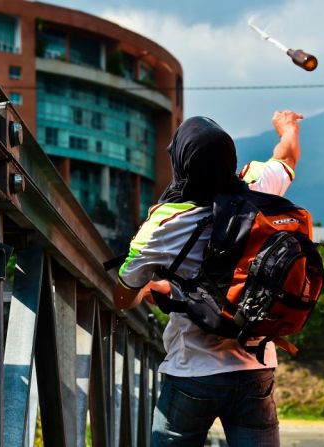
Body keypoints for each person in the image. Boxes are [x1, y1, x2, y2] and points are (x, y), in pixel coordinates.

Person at [112, 110, 303, 446]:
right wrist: (287, 127)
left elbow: (123, 296)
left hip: (192, 370)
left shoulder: (164, 225)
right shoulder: (258, 188)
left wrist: (156, 288)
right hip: (254, 370)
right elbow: (286, 156)